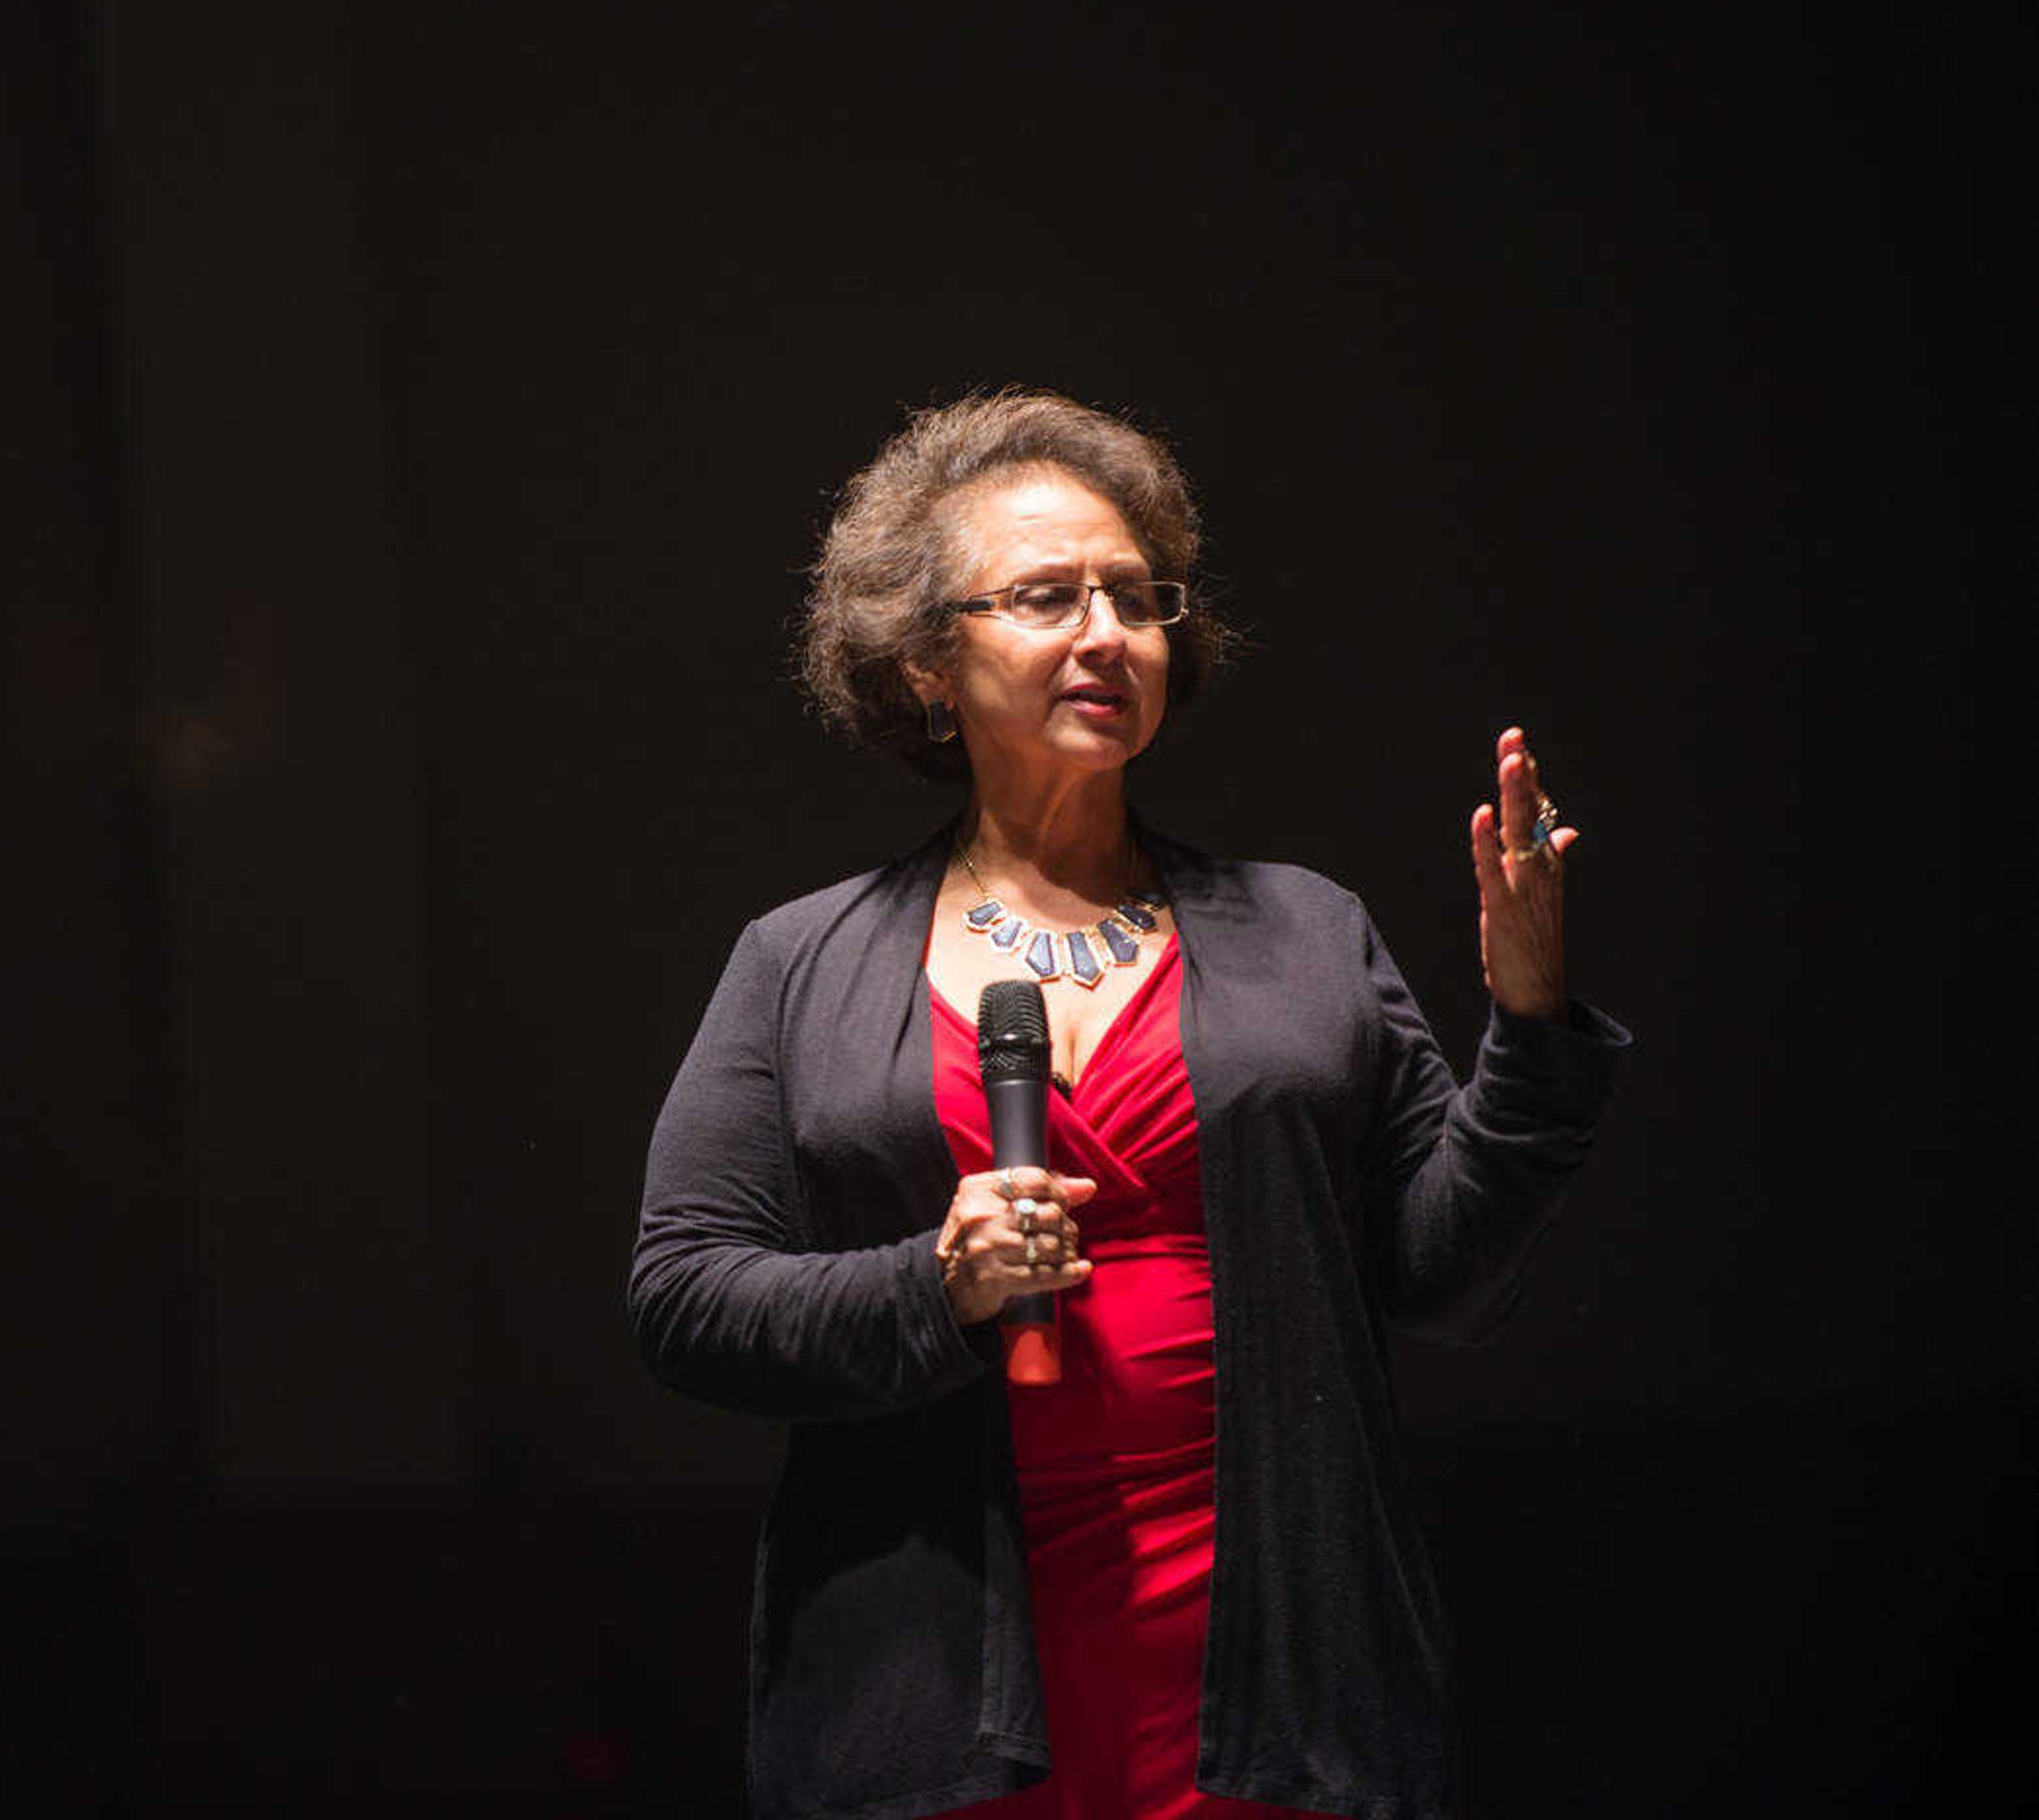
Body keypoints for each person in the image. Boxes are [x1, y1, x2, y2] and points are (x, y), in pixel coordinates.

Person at [629, 388, 1628, 1820]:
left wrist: (1528, 1025)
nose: (1106, 633)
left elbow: (1444, 1277)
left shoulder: (1304, 929)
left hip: (1274, 1674)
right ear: (926, 662)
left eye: (1135, 598)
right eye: (1046, 596)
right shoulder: (800, 963)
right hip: (937, 1686)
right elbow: (685, 1299)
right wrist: (937, 1286)